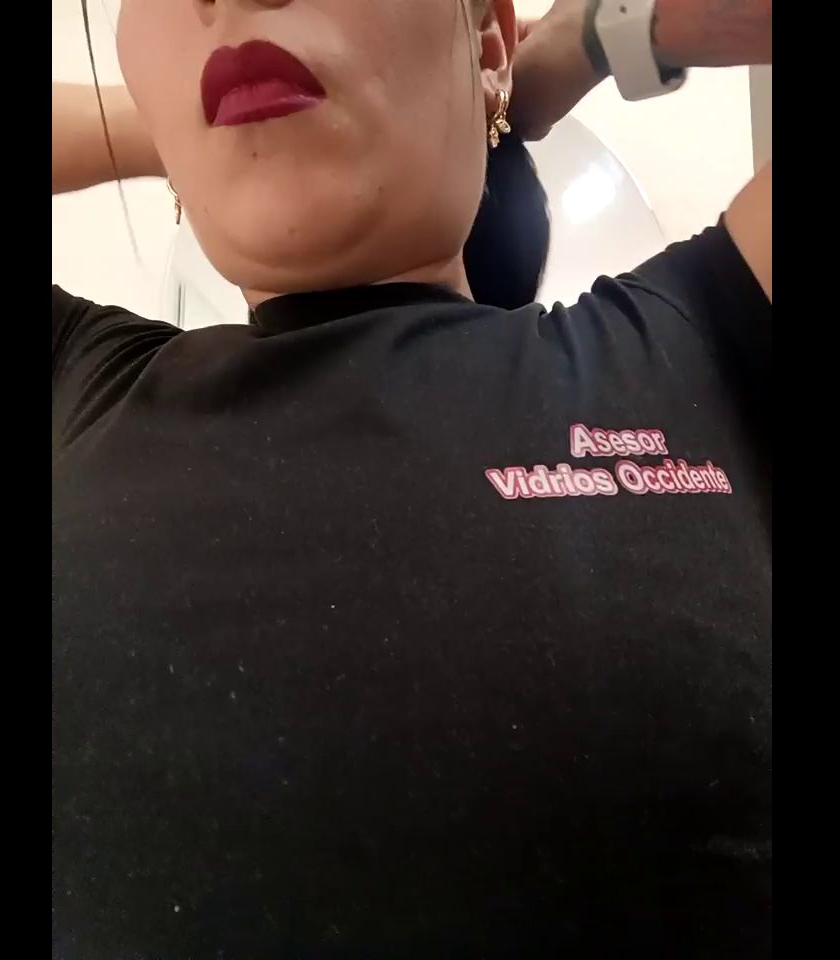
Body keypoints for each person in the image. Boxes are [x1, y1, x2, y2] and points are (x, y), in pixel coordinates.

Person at [52, 1, 772, 957]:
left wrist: (581, 45)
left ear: (487, 39)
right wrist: (179, 118)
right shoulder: (78, 388)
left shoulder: (702, 339)